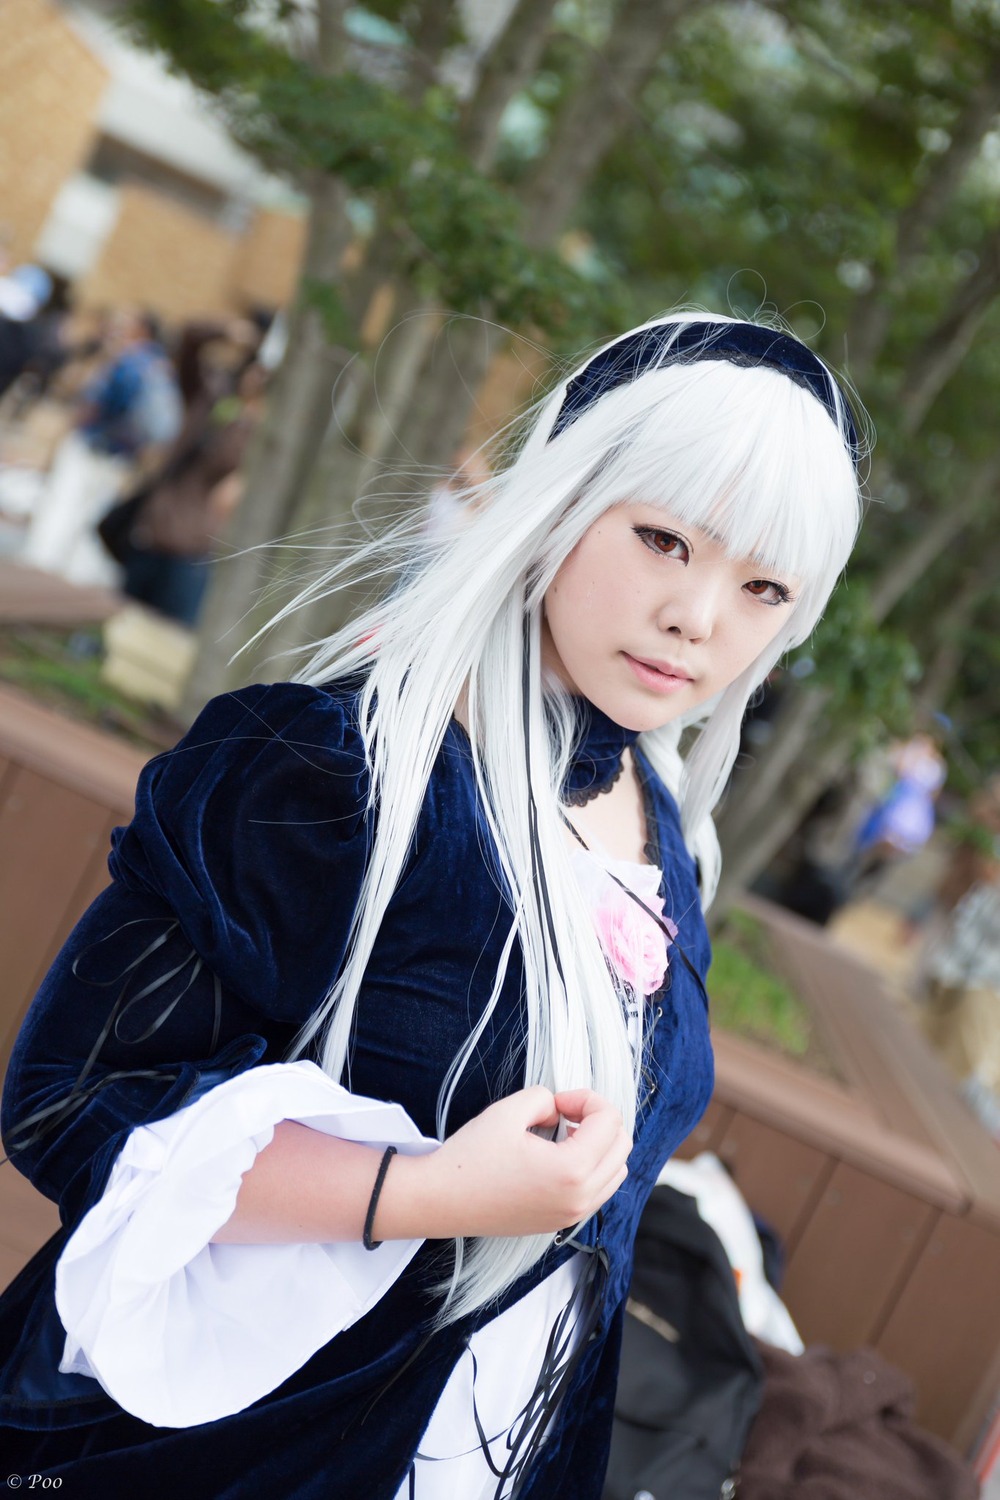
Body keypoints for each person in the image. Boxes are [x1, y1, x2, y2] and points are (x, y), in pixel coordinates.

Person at [0, 313, 864, 1498]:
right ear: (564, 498)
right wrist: (430, 1195)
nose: (699, 620)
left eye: (763, 586)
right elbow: (79, 1103)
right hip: (216, 1451)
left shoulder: (661, 820)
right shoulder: (336, 769)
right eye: (664, 539)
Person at [20, 308, 182, 587]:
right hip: (120, 458)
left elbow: (100, 403)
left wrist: (79, 420)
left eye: (127, 325)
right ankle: (66, 584)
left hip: (92, 445)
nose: (118, 329)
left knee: (61, 507)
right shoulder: (161, 369)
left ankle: (35, 574)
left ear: (142, 330)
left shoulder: (128, 362)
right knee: (88, 518)